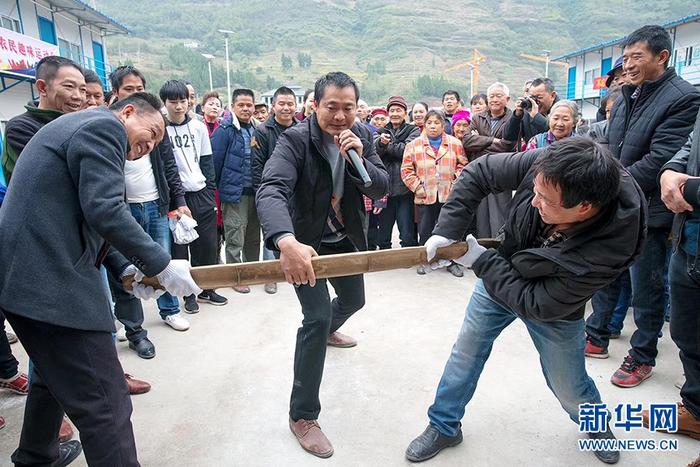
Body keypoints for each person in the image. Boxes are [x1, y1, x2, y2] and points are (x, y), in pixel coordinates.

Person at [405, 138, 645, 465]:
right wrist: (448, 229)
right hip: (505, 267)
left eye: (545, 200)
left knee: (568, 384)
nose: (533, 202)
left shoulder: (616, 242)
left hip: (553, 300)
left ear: (584, 207)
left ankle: (595, 424)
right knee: (466, 351)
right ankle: (444, 425)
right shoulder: (550, 165)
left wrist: (481, 262)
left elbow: (536, 304)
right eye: (534, 190)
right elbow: (480, 172)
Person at [0, 92, 201, 467]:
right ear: (127, 112)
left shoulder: (84, 129)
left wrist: (126, 269)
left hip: (26, 280)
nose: (150, 146)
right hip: (49, 285)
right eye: (152, 132)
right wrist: (161, 264)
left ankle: (36, 456)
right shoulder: (103, 127)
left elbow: (92, 214)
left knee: (51, 376)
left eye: (158, 142)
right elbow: (105, 208)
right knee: (106, 405)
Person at [256, 72, 389, 458]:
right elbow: (272, 189)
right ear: (314, 105)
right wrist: (285, 240)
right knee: (315, 318)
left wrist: (361, 160)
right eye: (331, 107)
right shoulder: (295, 140)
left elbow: (380, 186)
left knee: (354, 301)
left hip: (344, 238)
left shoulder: (360, 136)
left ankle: (330, 330)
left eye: (348, 108)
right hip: (305, 245)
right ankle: (303, 415)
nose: (340, 116)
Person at [584, 25, 700, 389]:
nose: (629, 65)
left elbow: (660, 160)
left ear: (662, 57)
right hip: (617, 201)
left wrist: (608, 187)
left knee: (646, 285)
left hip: (651, 210)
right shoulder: (626, 95)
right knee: (606, 272)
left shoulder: (683, 98)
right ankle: (597, 334)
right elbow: (610, 146)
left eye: (637, 57)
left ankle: (643, 354)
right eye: (626, 58)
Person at [108, 66, 193, 348]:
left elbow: (170, 166)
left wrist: (178, 202)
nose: (138, 92)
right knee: (127, 266)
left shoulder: (154, 126)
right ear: (119, 96)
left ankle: (169, 310)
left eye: (141, 87)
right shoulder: (106, 131)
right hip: (122, 208)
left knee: (161, 258)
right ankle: (132, 326)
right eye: (130, 89)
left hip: (155, 204)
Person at [161, 80, 227, 311]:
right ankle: (188, 294)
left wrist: (210, 191)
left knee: (207, 245)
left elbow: (207, 162)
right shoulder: (160, 129)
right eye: (173, 102)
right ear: (164, 103)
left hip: (201, 193)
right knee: (180, 249)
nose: (179, 106)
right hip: (175, 199)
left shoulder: (198, 127)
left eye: (183, 101)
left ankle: (207, 289)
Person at [655, 107, 700, 440]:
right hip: (688, 240)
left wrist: (690, 190)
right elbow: (691, 142)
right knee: (687, 334)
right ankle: (696, 411)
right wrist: (671, 170)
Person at [401, 110, 467, 276]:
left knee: (449, 228)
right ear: (424, 124)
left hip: (448, 194)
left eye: (437, 122)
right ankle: (425, 260)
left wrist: (455, 183)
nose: (433, 126)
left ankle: (451, 261)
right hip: (425, 194)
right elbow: (406, 170)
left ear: (443, 124)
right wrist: (417, 187)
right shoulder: (413, 145)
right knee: (425, 229)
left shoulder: (455, 144)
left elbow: (463, 166)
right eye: (429, 122)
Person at [1, 56, 85, 183]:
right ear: (42, 87)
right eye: (69, 86)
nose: (78, 96)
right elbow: (55, 177)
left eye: (83, 89)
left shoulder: (79, 122)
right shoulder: (20, 127)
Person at [212, 88, 261, 294]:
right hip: (235, 193)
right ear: (233, 107)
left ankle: (252, 272)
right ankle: (236, 275)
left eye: (249, 105)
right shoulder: (225, 130)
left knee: (253, 236)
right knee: (235, 234)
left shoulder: (258, 128)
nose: (245, 108)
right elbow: (215, 161)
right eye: (241, 105)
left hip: (256, 191)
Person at [251, 86, 299, 294]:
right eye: (282, 103)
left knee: (295, 233)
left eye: (290, 104)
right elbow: (256, 167)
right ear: (273, 106)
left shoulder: (301, 128)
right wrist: (262, 196)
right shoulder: (263, 131)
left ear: (295, 106)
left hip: (297, 191)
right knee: (272, 232)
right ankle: (271, 276)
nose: (286, 108)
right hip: (273, 191)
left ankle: (297, 270)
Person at [461, 82, 516, 237]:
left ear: (507, 99)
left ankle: (500, 248)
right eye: (491, 96)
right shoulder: (478, 117)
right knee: (482, 215)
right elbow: (467, 141)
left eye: (499, 96)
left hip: (501, 172)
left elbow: (508, 145)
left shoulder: (513, 119)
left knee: (500, 214)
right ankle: (483, 250)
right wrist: (493, 140)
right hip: (480, 172)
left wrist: (480, 140)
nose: (494, 99)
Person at [376, 95, 420, 249]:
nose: (395, 113)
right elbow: (374, 151)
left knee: (407, 230)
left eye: (398, 110)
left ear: (405, 112)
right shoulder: (381, 130)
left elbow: (407, 151)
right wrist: (382, 144)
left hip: (405, 188)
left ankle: (408, 258)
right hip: (385, 188)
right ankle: (384, 256)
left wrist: (386, 145)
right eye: (392, 110)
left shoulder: (413, 130)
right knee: (383, 231)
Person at [502, 77, 558, 148]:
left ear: (552, 96)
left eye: (539, 97)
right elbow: (508, 136)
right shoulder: (528, 112)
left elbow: (556, 134)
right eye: (532, 97)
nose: (535, 102)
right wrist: (517, 115)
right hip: (532, 156)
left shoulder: (563, 111)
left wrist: (536, 117)